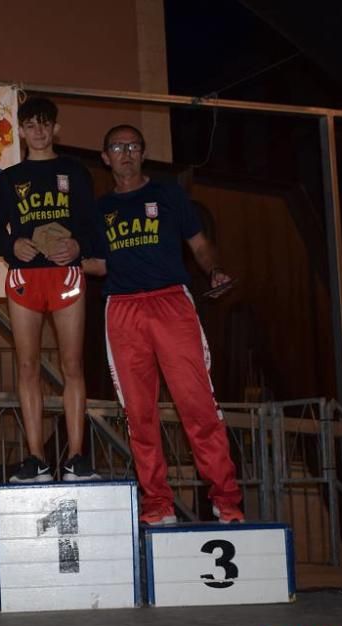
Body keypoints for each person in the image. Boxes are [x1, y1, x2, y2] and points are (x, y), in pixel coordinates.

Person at [83, 124, 244, 525]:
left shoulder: (168, 194)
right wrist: (55, 257)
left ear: (142, 152)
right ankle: (158, 506)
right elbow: (98, 264)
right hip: (122, 309)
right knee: (139, 415)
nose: (126, 153)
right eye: (117, 147)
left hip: (171, 302)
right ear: (106, 157)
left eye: (133, 146)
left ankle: (226, 503)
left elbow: (200, 244)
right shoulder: (99, 211)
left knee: (198, 407)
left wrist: (216, 272)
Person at [0, 96, 100, 483]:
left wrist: (79, 246)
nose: (38, 131)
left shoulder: (75, 172)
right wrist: (11, 245)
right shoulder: (10, 179)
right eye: (30, 124)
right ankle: (36, 459)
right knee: (28, 366)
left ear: (55, 128)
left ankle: (77, 457)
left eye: (45, 124)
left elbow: (93, 226)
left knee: (72, 365)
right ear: (20, 131)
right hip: (25, 278)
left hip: (64, 275)